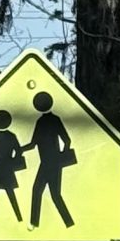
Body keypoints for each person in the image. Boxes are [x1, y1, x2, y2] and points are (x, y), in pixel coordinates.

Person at [27, 90, 76, 229]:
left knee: (51, 194)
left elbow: (66, 140)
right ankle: (36, 223)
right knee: (42, 192)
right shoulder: (43, 121)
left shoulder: (51, 120)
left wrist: (62, 157)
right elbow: (34, 144)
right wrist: (19, 149)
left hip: (52, 163)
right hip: (48, 163)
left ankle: (68, 223)